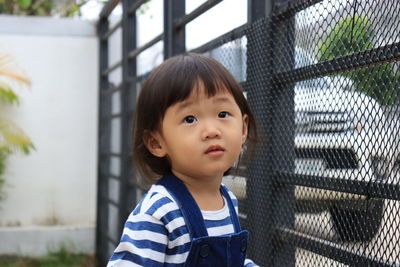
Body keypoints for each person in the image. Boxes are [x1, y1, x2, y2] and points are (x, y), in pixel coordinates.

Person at [107, 53, 259, 267]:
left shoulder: (228, 201)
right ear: (156, 143)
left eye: (223, 114)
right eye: (190, 119)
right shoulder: (160, 211)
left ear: (243, 128)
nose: (211, 130)